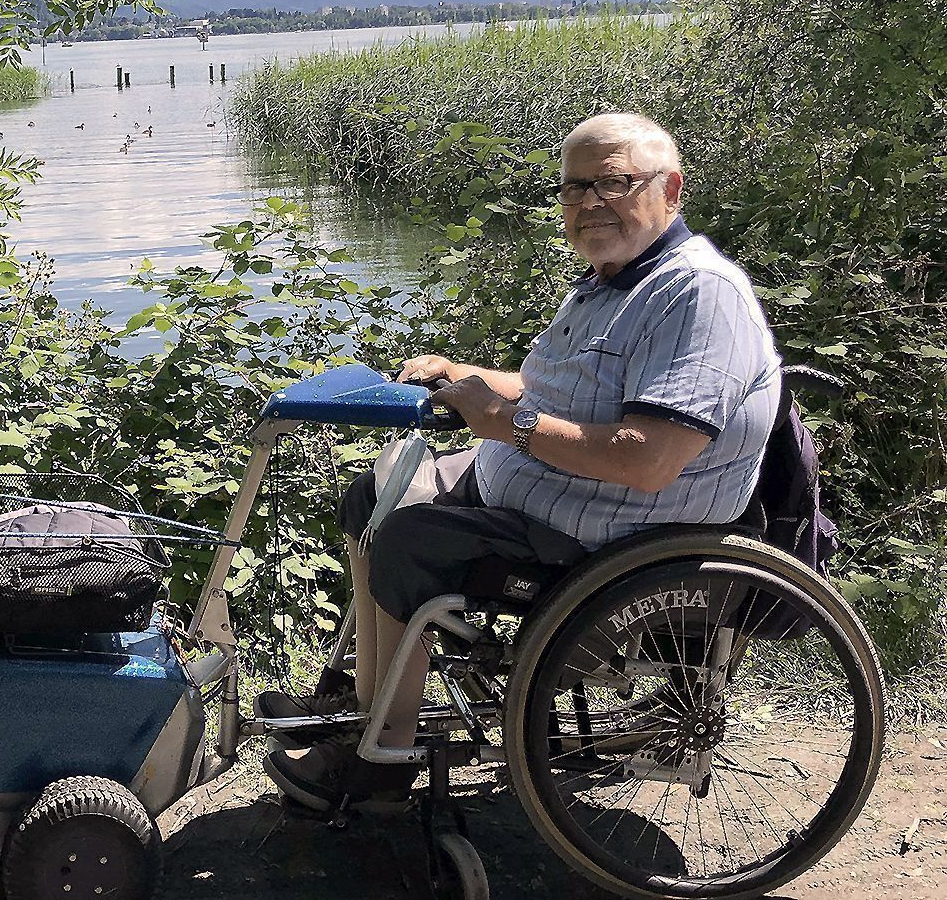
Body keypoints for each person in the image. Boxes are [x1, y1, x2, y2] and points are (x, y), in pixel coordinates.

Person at [261, 112, 783, 810]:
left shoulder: (696, 294)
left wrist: (509, 422)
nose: (590, 202)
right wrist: (465, 377)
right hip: (536, 489)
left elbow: (649, 460)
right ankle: (364, 701)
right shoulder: (611, 282)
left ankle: (382, 757)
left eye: (615, 182)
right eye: (574, 189)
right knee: (373, 492)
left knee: (409, 541)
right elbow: (552, 394)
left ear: (672, 190)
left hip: (606, 537)